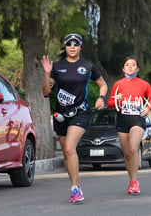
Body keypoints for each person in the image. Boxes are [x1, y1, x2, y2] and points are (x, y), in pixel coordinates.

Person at [41, 32, 108, 203]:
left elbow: (103, 84)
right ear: (65, 46)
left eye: (75, 44)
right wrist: (47, 74)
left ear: (80, 47)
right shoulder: (56, 67)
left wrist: (101, 97)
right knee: (66, 151)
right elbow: (46, 92)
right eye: (69, 43)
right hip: (60, 114)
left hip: (80, 112)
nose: (72, 46)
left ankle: (75, 187)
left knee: (70, 147)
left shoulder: (87, 66)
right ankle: (74, 184)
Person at [107, 56, 151, 195]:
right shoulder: (118, 84)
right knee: (127, 154)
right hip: (123, 119)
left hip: (137, 119)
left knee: (134, 148)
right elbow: (110, 104)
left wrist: (148, 107)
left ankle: (135, 181)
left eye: (133, 64)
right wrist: (116, 99)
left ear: (137, 68)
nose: (130, 66)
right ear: (123, 69)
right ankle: (131, 180)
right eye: (127, 64)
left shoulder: (144, 84)